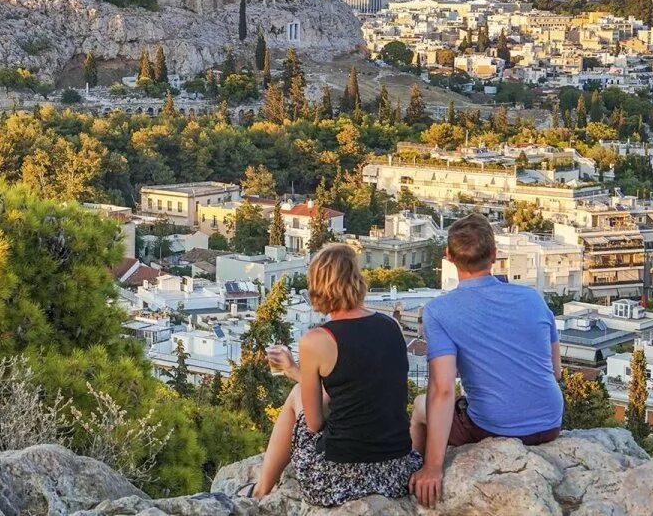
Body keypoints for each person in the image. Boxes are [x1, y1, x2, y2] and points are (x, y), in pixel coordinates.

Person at [237, 243, 422, 506]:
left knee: (296, 395)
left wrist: (294, 374)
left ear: (318, 286)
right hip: (395, 471)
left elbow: (313, 424)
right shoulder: (391, 326)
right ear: (357, 279)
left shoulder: (317, 340)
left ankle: (261, 489)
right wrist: (295, 371)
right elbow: (358, 385)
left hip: (337, 479)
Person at [409, 212, 563, 507]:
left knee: (419, 407)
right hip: (549, 423)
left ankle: (416, 473)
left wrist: (434, 467)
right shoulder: (532, 298)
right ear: (494, 255)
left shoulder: (439, 311)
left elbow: (443, 390)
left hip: (492, 426)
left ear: (449, 257)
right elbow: (555, 371)